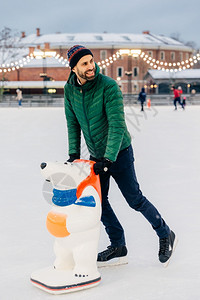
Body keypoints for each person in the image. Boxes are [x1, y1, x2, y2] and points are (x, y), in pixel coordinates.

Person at [64, 45, 177, 266]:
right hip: (96, 158)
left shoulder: (108, 86)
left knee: (134, 200)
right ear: (74, 68)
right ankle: (118, 245)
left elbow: (116, 125)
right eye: (84, 63)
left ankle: (165, 233)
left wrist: (109, 159)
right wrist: (74, 154)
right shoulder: (70, 90)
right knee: (99, 203)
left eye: (91, 61)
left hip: (120, 153)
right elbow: (72, 123)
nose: (91, 67)